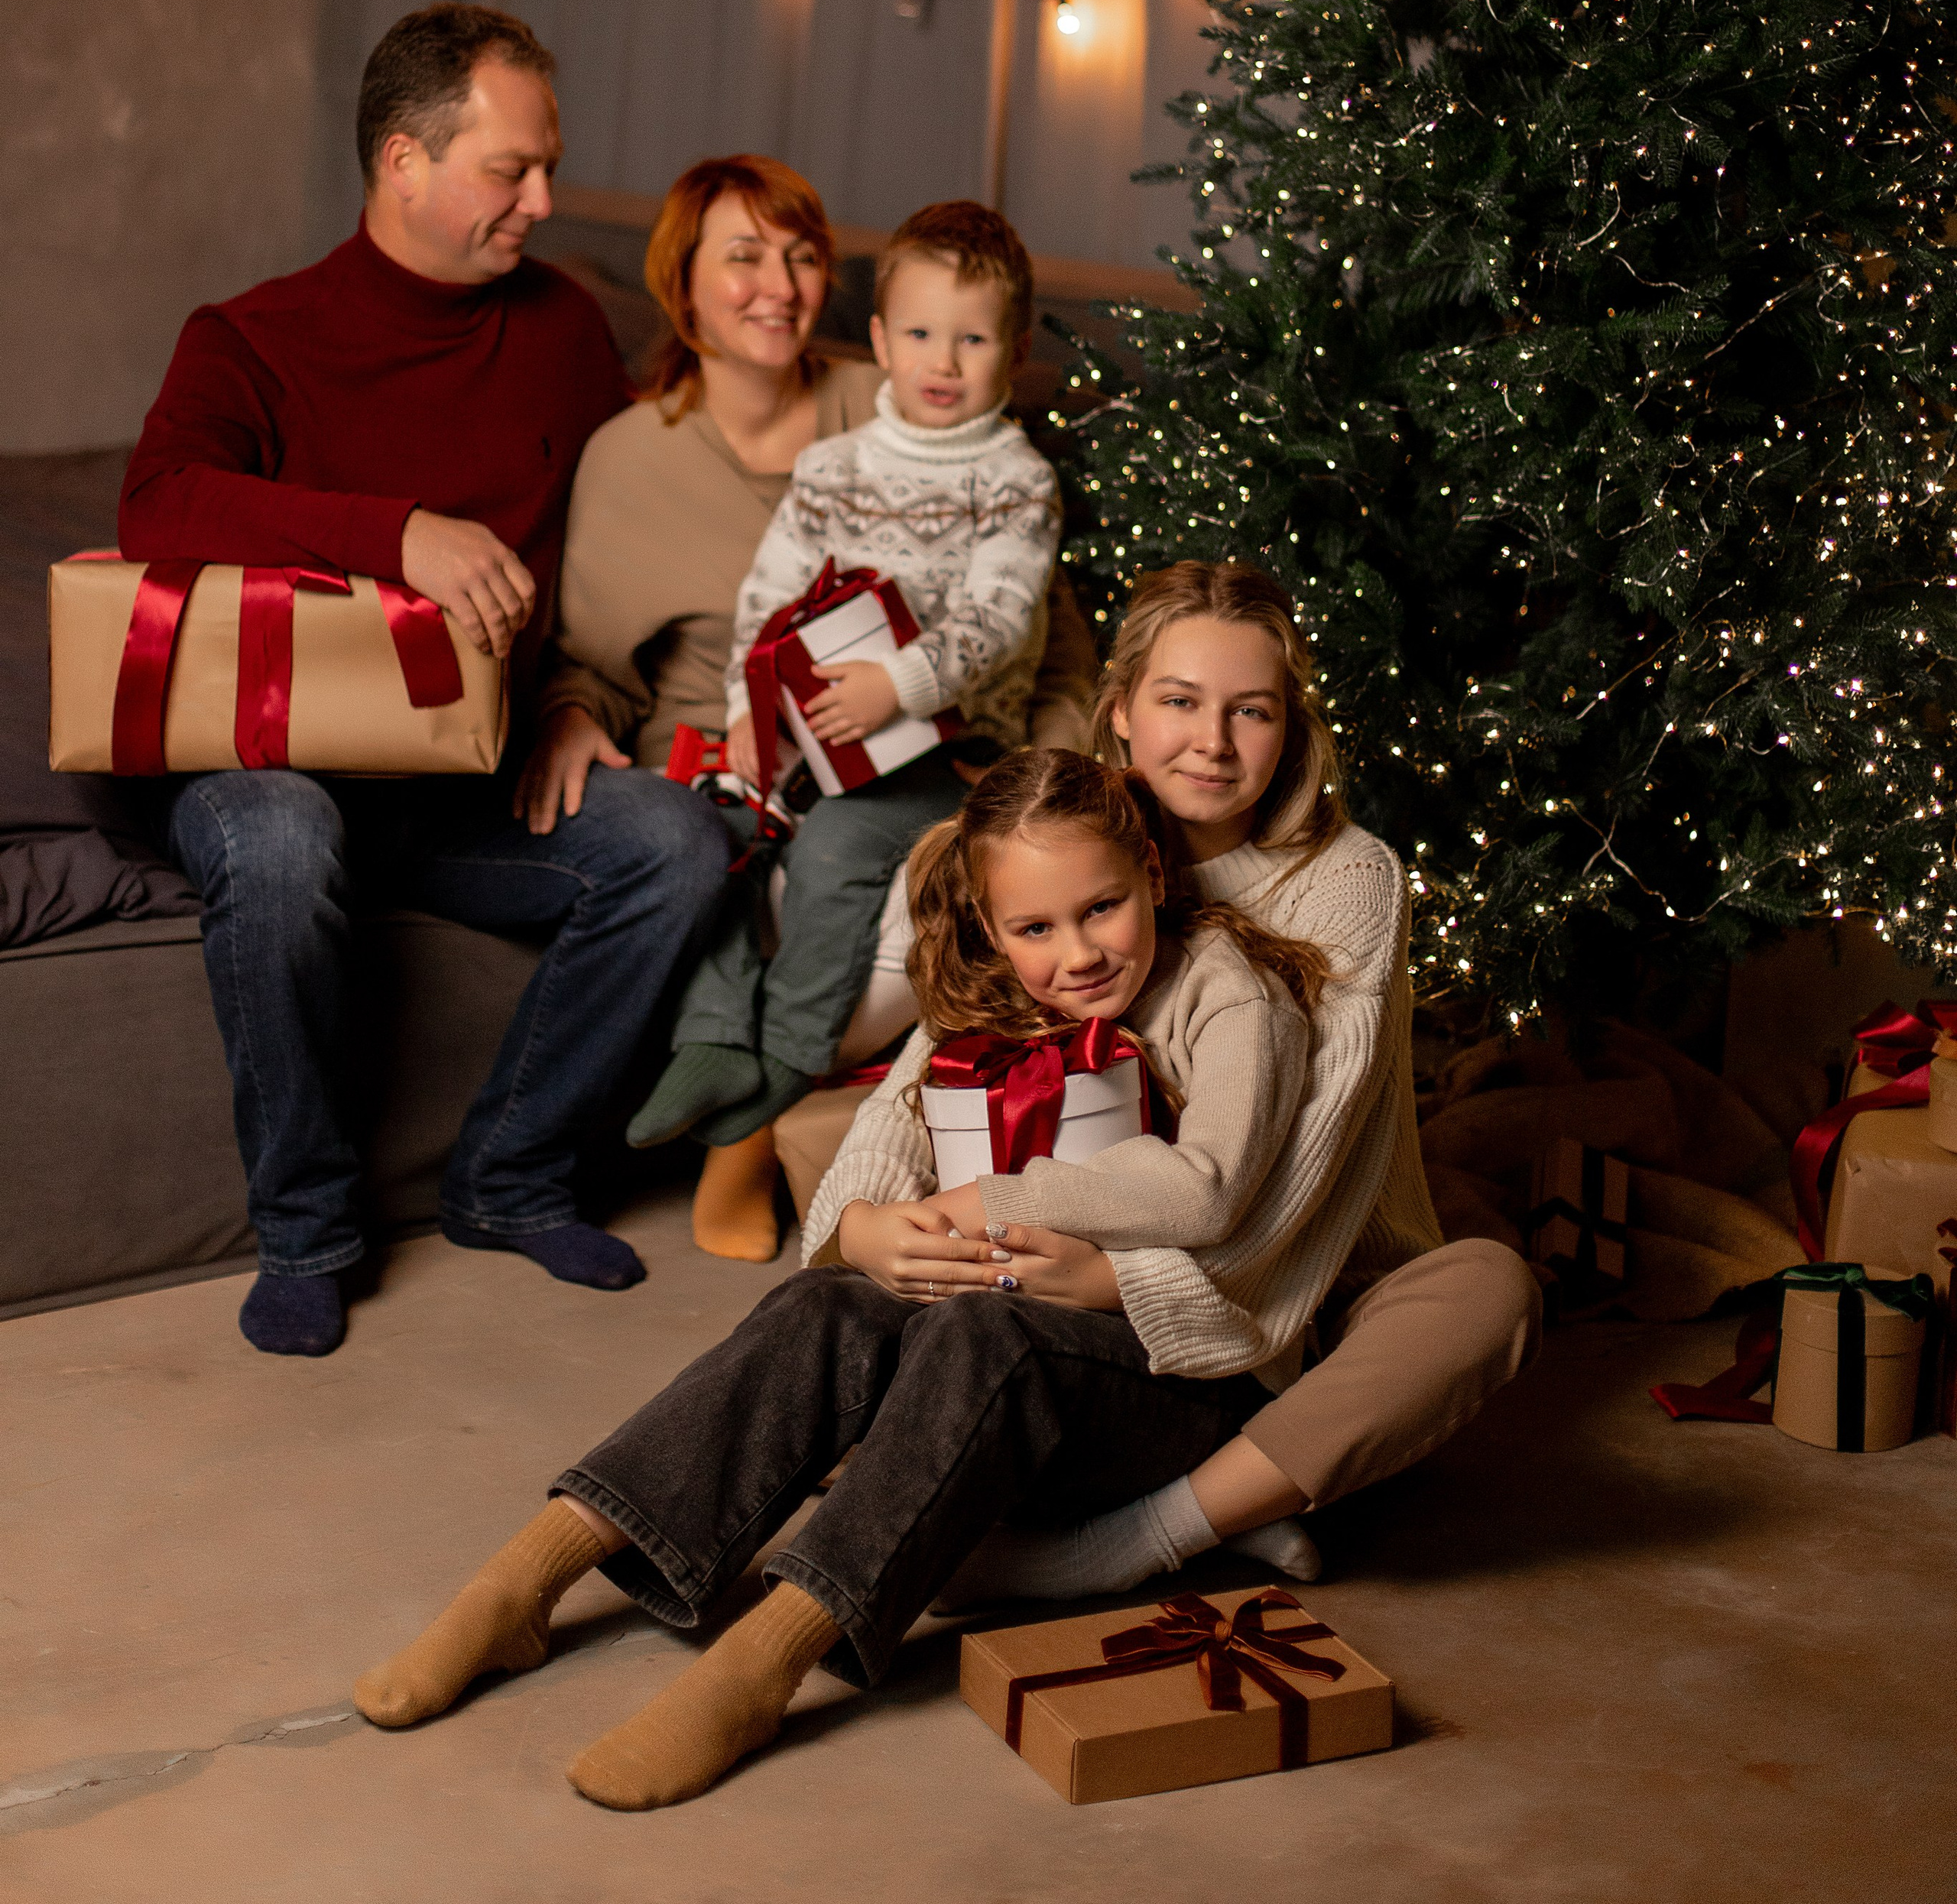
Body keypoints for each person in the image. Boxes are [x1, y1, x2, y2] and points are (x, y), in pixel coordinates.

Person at [352, 748, 1329, 1812]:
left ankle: (762, 1661)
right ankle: (526, 1581)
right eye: (1035, 928)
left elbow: (1210, 1192)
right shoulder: (1000, 991)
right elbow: (875, 1154)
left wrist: (997, 1204)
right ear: (995, 927)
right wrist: (868, 1232)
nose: (1078, 954)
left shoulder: (1233, 995)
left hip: (1186, 1379)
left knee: (979, 1338)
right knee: (824, 1304)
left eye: (1103, 909)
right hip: (1004, 1351)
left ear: (1149, 869)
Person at [119, 5, 730, 1359]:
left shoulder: (564, 329)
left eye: (547, 166)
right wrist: (394, 532)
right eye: (511, 170)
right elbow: (158, 503)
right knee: (279, 842)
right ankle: (308, 1232)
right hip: (271, 761)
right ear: (403, 161)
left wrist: (585, 697)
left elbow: (618, 547)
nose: (547, 200)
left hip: (472, 771)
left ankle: (508, 1177)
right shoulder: (250, 336)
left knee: (678, 848)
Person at [931, 560, 1541, 1601]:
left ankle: (1138, 1538)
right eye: (1178, 702)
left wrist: (1127, 1287)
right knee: (887, 1206)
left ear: (1291, 727)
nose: (1212, 743)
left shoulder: (1352, 879)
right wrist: (854, 1233)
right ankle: (1234, 1499)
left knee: (1488, 1291)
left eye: (1250, 711)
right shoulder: (1058, 840)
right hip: (1078, 1228)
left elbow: (1296, 1179)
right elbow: (930, 1056)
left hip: (1295, 1270)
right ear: (1119, 712)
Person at [522, 163, 1094, 1259]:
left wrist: (1024, 766)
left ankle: (765, 1096)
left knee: (855, 871)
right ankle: (717, 1052)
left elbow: (1019, 620)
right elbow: (728, 611)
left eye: (798, 257)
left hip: (929, 749)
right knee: (698, 844)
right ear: (681, 288)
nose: (777, 285)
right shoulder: (776, 460)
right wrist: (730, 709)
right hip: (766, 746)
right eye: (744, 256)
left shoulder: (978, 455)